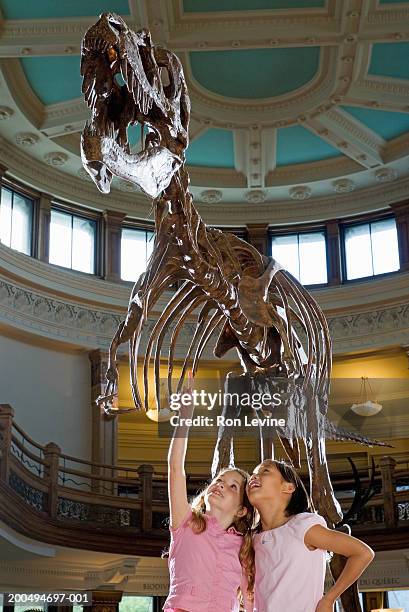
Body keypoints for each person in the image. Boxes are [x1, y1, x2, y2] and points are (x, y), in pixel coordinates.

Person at [163, 382, 254, 612]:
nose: (221, 486)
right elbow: (175, 468)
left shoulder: (245, 546)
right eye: (219, 481)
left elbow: (251, 600)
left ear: (242, 509)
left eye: (233, 487)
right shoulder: (186, 523)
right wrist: (185, 415)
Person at [247, 459, 374, 612]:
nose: (253, 477)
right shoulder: (253, 538)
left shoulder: (302, 526)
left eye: (264, 471)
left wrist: (329, 599)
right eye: (252, 474)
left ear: (288, 487)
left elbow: (363, 553)